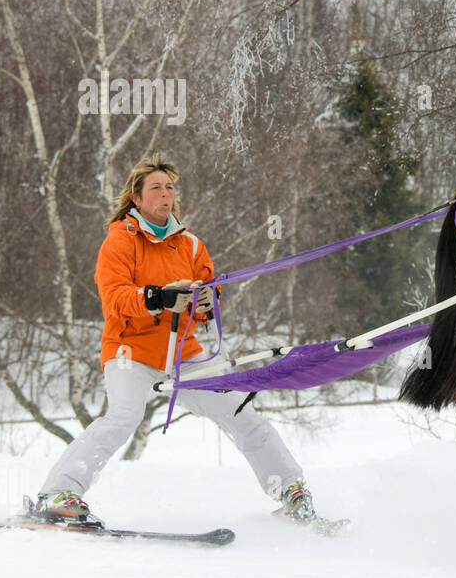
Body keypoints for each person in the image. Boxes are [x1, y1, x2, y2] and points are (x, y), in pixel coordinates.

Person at [36, 153, 320, 525]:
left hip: (183, 353)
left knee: (239, 411)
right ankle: (59, 493)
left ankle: (292, 492)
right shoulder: (120, 240)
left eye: (170, 187)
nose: (165, 193)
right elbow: (114, 299)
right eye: (156, 188)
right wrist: (156, 297)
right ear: (136, 198)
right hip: (130, 351)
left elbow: (206, 304)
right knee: (123, 417)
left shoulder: (190, 245)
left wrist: (206, 301)